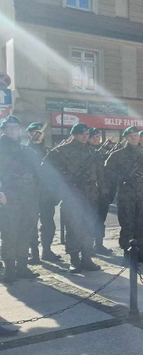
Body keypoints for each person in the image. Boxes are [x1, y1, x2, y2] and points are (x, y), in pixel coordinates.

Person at [43, 123, 106, 273]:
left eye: (87, 134)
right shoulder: (61, 151)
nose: (85, 136)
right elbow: (46, 169)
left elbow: (101, 174)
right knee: (73, 227)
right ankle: (74, 260)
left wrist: (104, 191)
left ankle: (87, 258)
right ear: (74, 134)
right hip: (72, 194)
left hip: (90, 194)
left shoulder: (93, 152)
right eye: (82, 134)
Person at [105, 126, 143, 263]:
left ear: (139, 137)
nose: (134, 138)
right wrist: (122, 178)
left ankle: (141, 251)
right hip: (127, 195)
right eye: (130, 136)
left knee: (142, 224)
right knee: (127, 224)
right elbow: (108, 173)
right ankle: (127, 252)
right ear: (126, 138)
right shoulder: (117, 155)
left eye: (136, 135)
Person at [0, 115, 41, 283]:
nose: (12, 130)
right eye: (9, 127)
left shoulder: (24, 148)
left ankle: (22, 267)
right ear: (3, 130)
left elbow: (38, 167)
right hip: (8, 196)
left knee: (26, 231)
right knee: (10, 232)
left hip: (28, 196)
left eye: (15, 127)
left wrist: (38, 145)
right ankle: (9, 269)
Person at [26, 122, 59, 263]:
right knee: (31, 224)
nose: (37, 134)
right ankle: (34, 253)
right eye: (34, 132)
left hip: (47, 194)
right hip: (30, 193)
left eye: (40, 131)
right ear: (30, 134)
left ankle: (47, 251)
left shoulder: (50, 152)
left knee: (48, 224)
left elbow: (56, 173)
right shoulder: (24, 150)